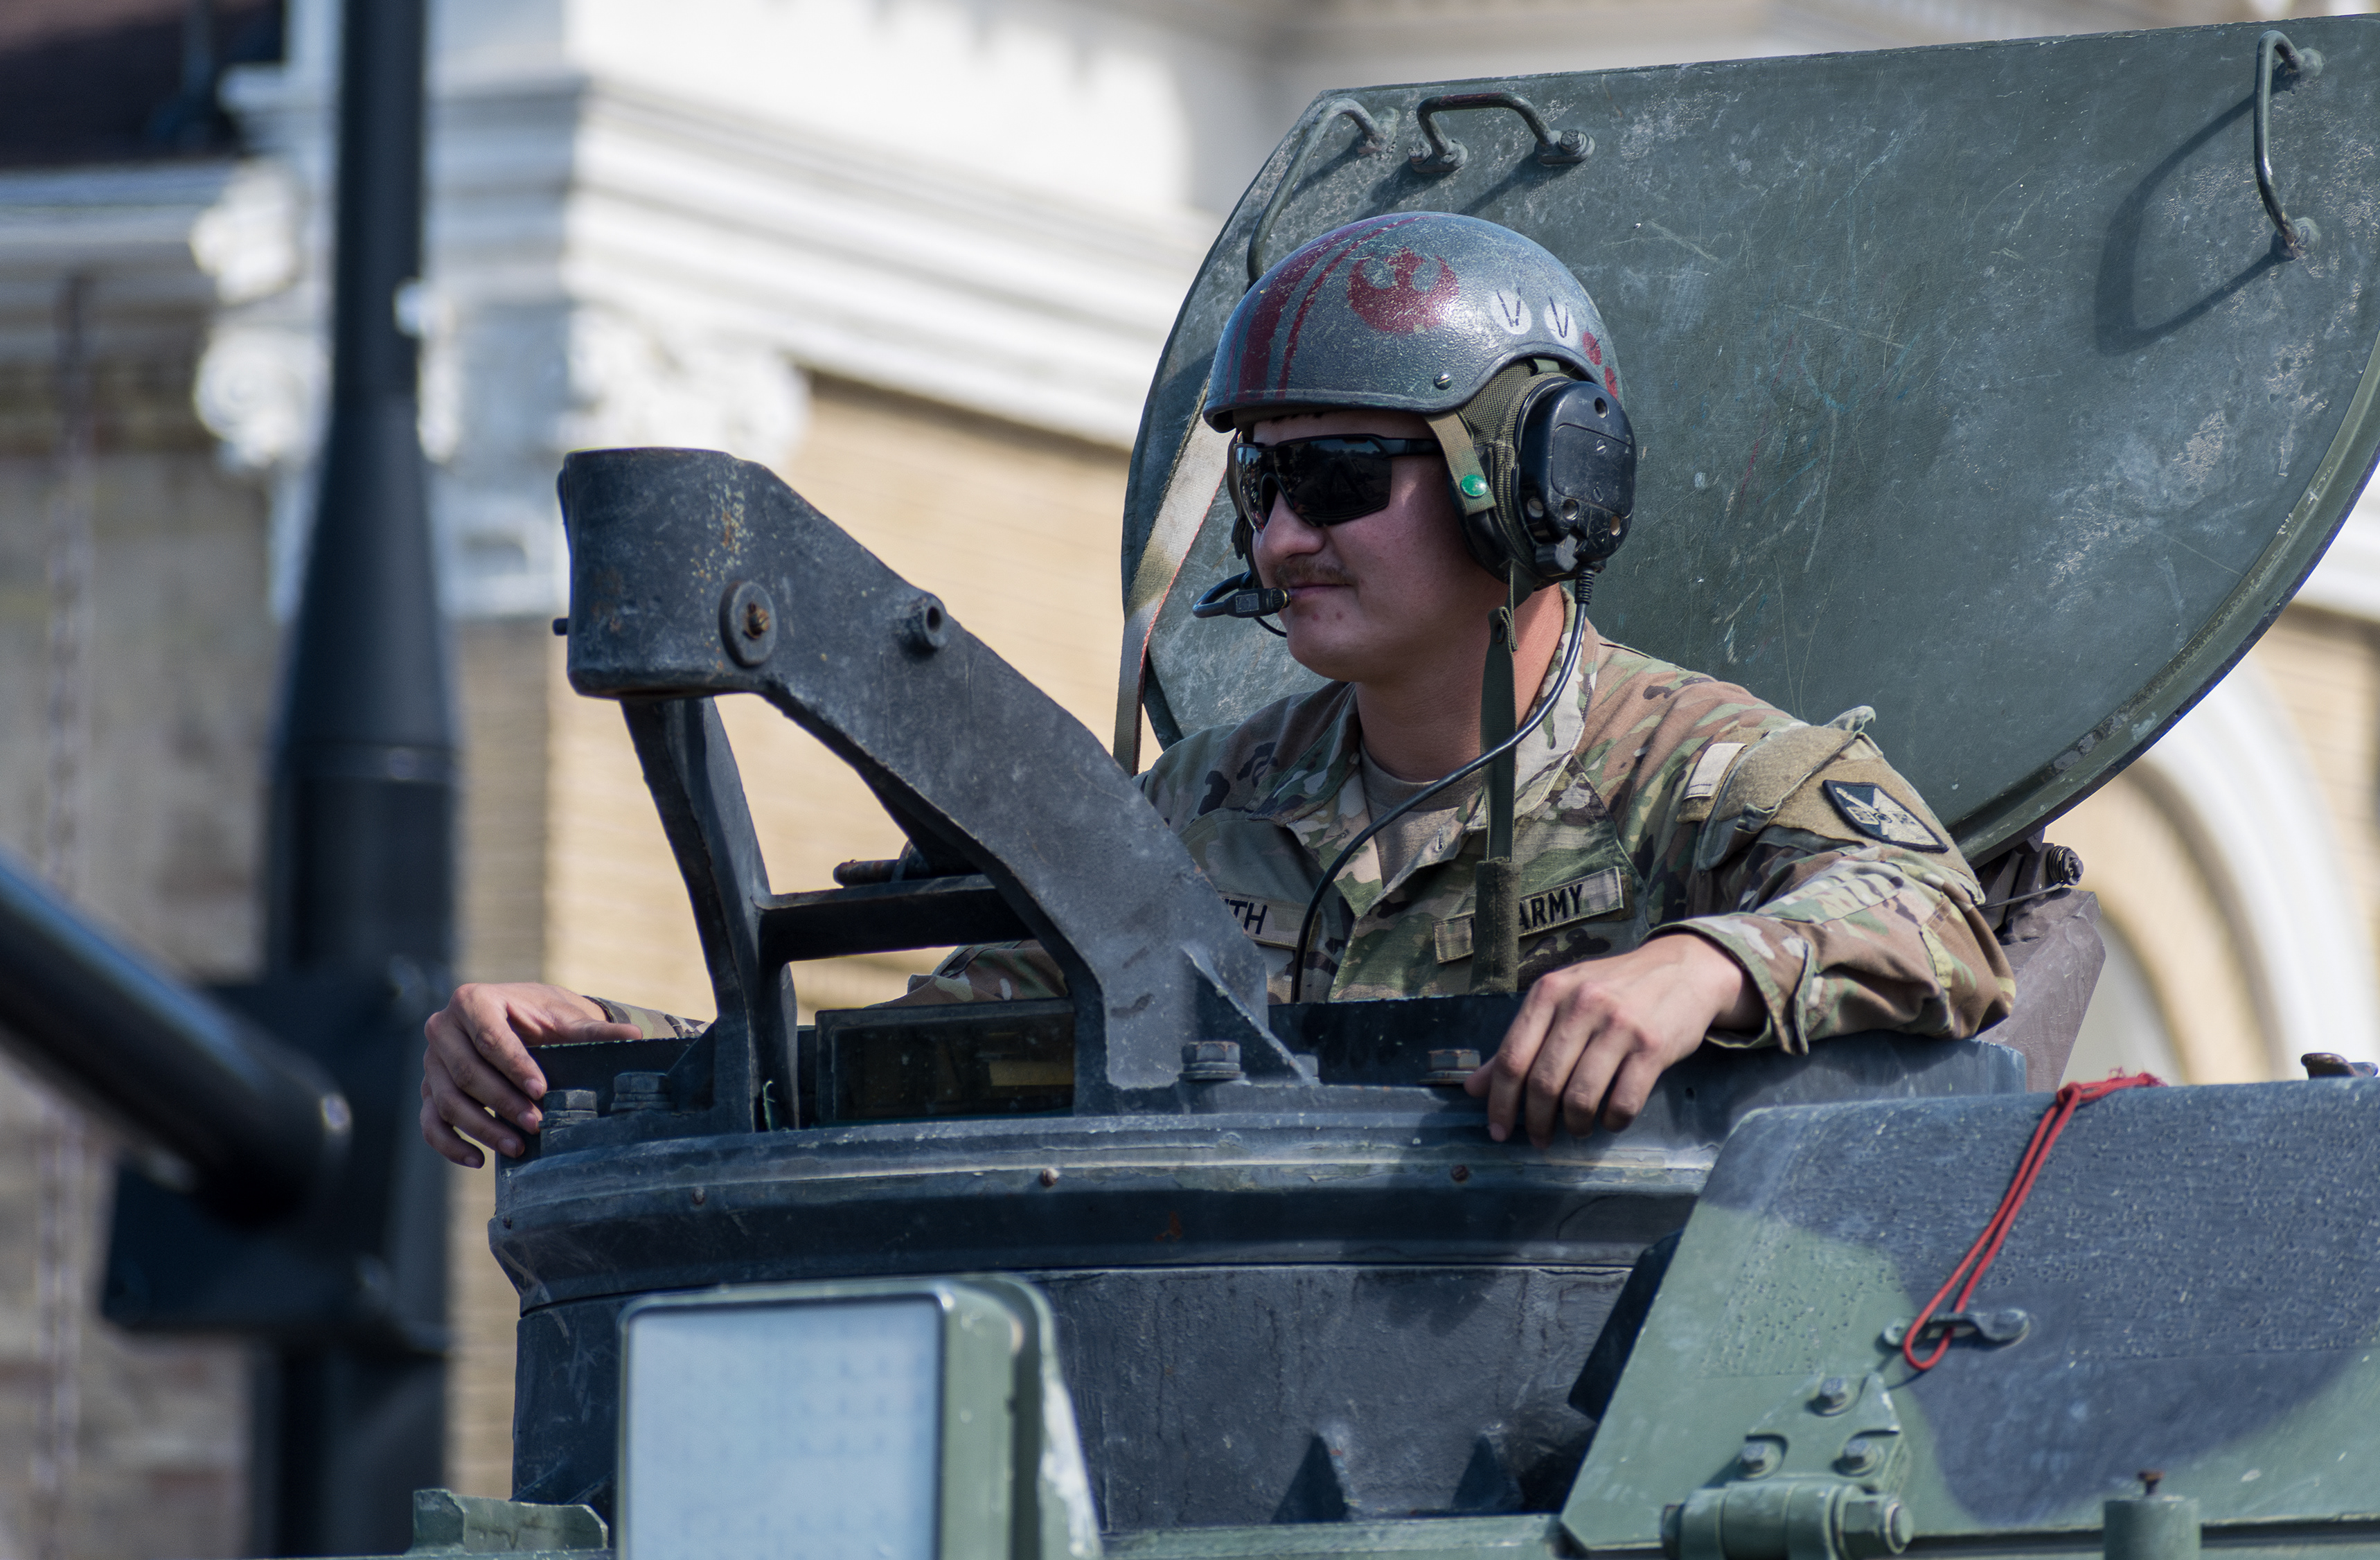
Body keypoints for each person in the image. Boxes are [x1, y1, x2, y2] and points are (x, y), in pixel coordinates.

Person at [419, 213, 2010, 1171]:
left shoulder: (1701, 768)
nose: (1281, 533)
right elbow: (953, 1054)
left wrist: (1698, 969)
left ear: (1528, 491)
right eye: (1259, 483)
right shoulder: (1204, 808)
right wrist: (618, 1052)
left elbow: (1938, 910)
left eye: (1332, 476)